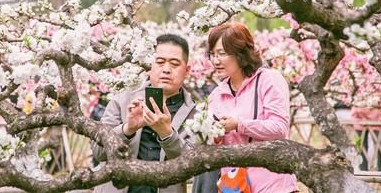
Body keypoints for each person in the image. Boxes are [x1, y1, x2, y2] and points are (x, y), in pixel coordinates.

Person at [201, 22, 298, 193]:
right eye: (212, 54)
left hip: (273, 185)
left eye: (222, 53)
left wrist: (238, 124)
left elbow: (279, 128)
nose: (216, 60)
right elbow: (217, 150)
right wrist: (214, 136)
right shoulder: (216, 96)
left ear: (240, 53)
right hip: (234, 187)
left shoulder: (269, 80)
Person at [93, 34, 196, 193]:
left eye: (174, 64)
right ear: (150, 66)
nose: (166, 69)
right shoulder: (122, 100)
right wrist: (128, 129)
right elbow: (98, 152)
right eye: (160, 62)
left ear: (187, 70)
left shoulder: (195, 114)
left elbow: (193, 163)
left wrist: (167, 134)